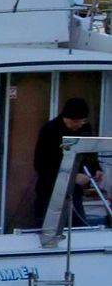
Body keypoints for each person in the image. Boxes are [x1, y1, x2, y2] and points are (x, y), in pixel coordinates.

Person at [34, 96, 98, 224]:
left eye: (82, 121)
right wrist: (72, 176)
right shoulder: (50, 131)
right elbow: (41, 164)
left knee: (78, 226)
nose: (79, 125)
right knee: (51, 225)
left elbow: (90, 152)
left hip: (74, 192)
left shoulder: (84, 128)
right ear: (66, 118)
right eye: (76, 122)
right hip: (51, 189)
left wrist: (95, 169)